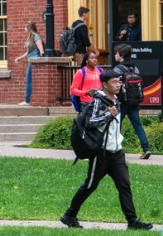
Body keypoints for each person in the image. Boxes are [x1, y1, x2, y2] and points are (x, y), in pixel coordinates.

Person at [60, 70, 154, 230]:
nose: (118, 85)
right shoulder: (98, 101)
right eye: (114, 82)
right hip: (101, 153)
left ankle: (132, 222)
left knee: (124, 185)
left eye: (119, 81)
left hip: (116, 152)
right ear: (104, 84)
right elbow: (90, 122)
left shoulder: (116, 99)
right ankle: (69, 215)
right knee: (90, 185)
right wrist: (108, 115)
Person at [113, 44, 151, 160]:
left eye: (116, 53)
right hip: (134, 101)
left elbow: (114, 84)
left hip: (122, 102)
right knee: (137, 125)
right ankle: (146, 149)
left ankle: (115, 149)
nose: (115, 55)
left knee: (116, 125)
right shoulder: (135, 68)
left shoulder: (118, 69)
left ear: (121, 55)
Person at [15, 22, 45, 106]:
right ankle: (28, 100)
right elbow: (28, 52)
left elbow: (41, 50)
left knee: (28, 80)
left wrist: (41, 61)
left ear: (29, 28)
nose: (24, 29)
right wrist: (19, 58)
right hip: (31, 60)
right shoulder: (30, 38)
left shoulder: (36, 37)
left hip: (35, 61)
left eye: (25, 27)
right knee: (29, 80)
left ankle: (27, 101)